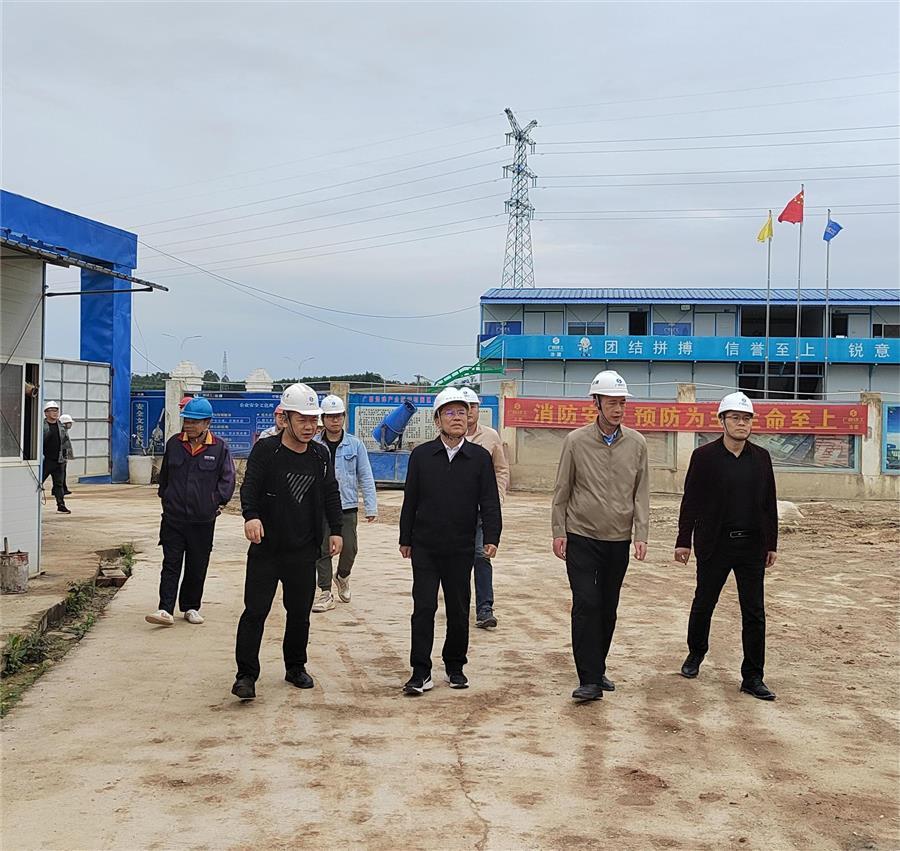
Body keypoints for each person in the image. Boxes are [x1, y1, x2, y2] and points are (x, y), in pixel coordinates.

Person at [232, 383, 343, 701]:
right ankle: (246, 676)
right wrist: (251, 516)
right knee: (255, 612)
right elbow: (250, 487)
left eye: (313, 420)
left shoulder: (320, 455)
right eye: (302, 419)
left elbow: (330, 492)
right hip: (267, 549)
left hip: (304, 550)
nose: (309, 427)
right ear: (285, 418)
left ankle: (295, 667)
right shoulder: (266, 450)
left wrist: (336, 530)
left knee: (299, 614)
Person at [551, 370, 649, 703]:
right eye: (612, 403)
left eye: (622, 403)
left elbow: (641, 492)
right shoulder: (576, 441)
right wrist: (558, 530)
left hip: (618, 538)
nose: (618, 409)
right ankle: (589, 679)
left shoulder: (636, 443)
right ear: (596, 403)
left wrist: (641, 533)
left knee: (608, 607)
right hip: (581, 535)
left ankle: (597, 666)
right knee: (586, 603)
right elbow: (562, 488)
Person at [674, 392, 779, 701]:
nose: (741, 423)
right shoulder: (704, 457)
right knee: (704, 602)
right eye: (735, 418)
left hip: (751, 546)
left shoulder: (761, 458)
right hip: (715, 544)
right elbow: (691, 500)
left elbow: (768, 503)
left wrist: (771, 543)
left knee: (754, 612)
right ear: (722, 421)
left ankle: (753, 676)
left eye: (746, 418)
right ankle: (696, 653)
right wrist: (683, 540)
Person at [398, 387, 502, 695]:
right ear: (438, 420)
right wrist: (405, 537)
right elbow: (410, 499)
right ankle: (420, 671)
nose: (457, 418)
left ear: (469, 418)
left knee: (458, 608)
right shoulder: (421, 456)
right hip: (425, 546)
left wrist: (492, 536)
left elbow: (489, 501)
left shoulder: (479, 458)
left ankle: (455, 666)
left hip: (460, 546)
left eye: (462, 412)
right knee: (423, 608)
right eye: (450, 413)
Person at [145, 397, 235, 627]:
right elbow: (165, 476)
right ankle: (165, 609)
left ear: (207, 423)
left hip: (203, 520)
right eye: (187, 420)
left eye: (195, 422)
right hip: (173, 518)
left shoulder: (219, 447)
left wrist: (216, 502)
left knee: (197, 565)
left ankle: (190, 607)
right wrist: (166, 498)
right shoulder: (174, 444)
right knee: (171, 563)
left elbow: (227, 479)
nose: (189, 425)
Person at [312, 394, 377, 611]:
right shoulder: (313, 444)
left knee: (350, 548)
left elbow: (365, 475)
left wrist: (371, 506)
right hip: (320, 506)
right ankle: (325, 591)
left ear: (344, 417)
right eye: (330, 416)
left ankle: (342, 575)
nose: (335, 420)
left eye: (339, 416)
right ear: (323, 418)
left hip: (346, 505)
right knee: (322, 548)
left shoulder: (355, 445)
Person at [458, 386, 508, 629]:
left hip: (481, 509)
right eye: (464, 407)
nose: (469, 411)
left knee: (481, 555)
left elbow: (501, 469)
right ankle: (457, 604)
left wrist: (496, 499)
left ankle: (485, 609)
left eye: (473, 406)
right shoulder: (449, 437)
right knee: (456, 559)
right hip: (454, 511)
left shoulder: (490, 437)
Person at [42, 401, 72, 514]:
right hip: (46, 460)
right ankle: (30, 502)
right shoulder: (41, 426)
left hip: (59, 460)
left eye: (56, 410)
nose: (55, 413)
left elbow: (66, 443)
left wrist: (65, 457)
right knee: (38, 482)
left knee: (59, 484)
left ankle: (61, 505)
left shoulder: (61, 427)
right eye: (52, 411)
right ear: (46, 413)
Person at [59, 414, 75, 495]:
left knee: (62, 473)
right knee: (61, 473)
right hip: (61, 456)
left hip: (62, 456)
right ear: (64, 423)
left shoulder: (64, 431)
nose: (71, 425)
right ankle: (61, 489)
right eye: (69, 423)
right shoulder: (62, 431)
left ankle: (62, 489)